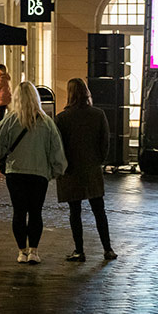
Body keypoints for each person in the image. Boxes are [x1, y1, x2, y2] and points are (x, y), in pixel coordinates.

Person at [0, 81, 67, 264]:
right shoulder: (46, 122)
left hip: (15, 173)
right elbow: (56, 150)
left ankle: (21, 251)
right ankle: (34, 250)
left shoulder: (9, 121)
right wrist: (55, 171)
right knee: (35, 212)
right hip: (39, 174)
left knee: (19, 212)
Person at [54, 78, 116, 262]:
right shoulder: (98, 114)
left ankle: (79, 250)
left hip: (71, 171)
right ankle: (107, 249)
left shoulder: (62, 118)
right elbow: (105, 142)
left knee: (75, 212)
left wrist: (61, 166)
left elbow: (58, 146)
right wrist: (98, 161)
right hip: (92, 169)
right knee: (99, 211)